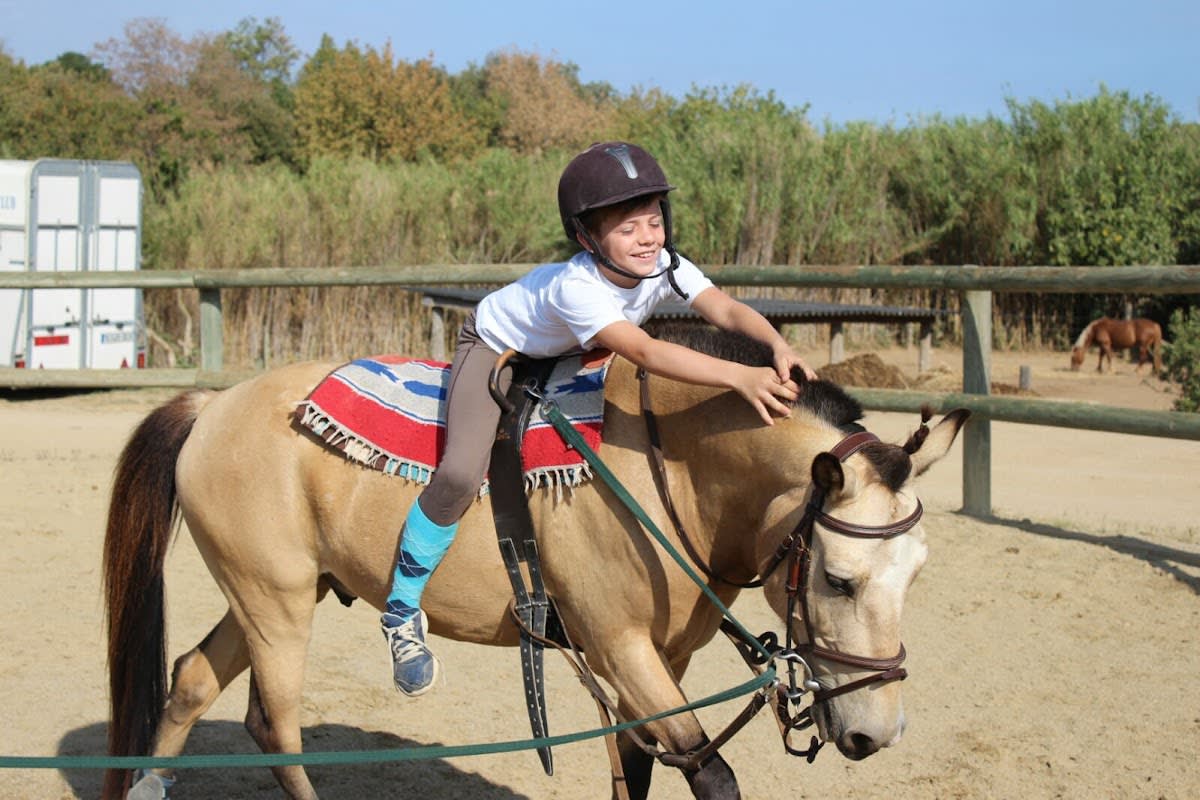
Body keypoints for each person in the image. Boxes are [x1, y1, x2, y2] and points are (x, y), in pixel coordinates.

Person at [381, 141, 817, 696]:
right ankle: (401, 610)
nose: (647, 238)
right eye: (628, 228)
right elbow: (646, 352)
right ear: (589, 238)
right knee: (462, 472)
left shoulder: (664, 264)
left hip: (572, 347)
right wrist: (740, 376)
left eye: (654, 222)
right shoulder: (578, 287)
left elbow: (725, 309)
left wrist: (777, 346)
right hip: (498, 347)